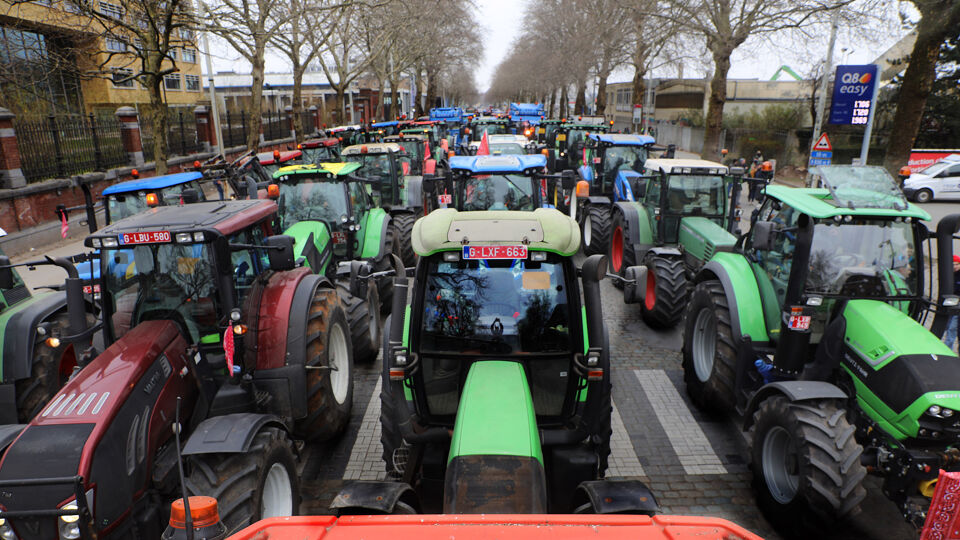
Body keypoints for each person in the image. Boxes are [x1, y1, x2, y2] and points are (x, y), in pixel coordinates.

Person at [943, 255, 960, 350]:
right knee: (947, 325)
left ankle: (947, 348)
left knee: (952, 328)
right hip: (950, 302)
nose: (955, 266)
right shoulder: (949, 275)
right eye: (953, 264)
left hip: (957, 304)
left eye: (957, 264)